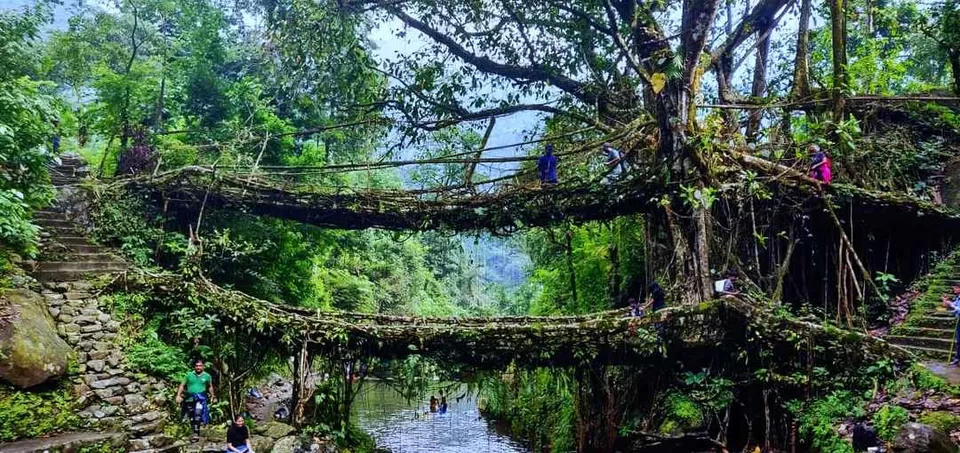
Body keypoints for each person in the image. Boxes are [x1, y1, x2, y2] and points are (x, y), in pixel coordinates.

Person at [176, 359, 216, 440]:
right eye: (197, 366)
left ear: (203, 367)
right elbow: (182, 385)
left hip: (201, 398)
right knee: (191, 415)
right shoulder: (189, 375)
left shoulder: (207, 376)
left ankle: (196, 432)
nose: (198, 367)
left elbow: (210, 386)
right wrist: (178, 395)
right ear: (194, 367)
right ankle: (193, 430)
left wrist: (212, 396)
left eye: (200, 366)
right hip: (189, 398)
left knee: (198, 413)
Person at [941, 286, 960, 365]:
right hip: (958, 321)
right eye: (954, 288)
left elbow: (957, 309)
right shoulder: (958, 298)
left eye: (956, 288)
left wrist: (951, 305)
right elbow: (950, 307)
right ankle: (957, 358)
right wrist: (945, 302)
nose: (954, 290)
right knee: (958, 341)